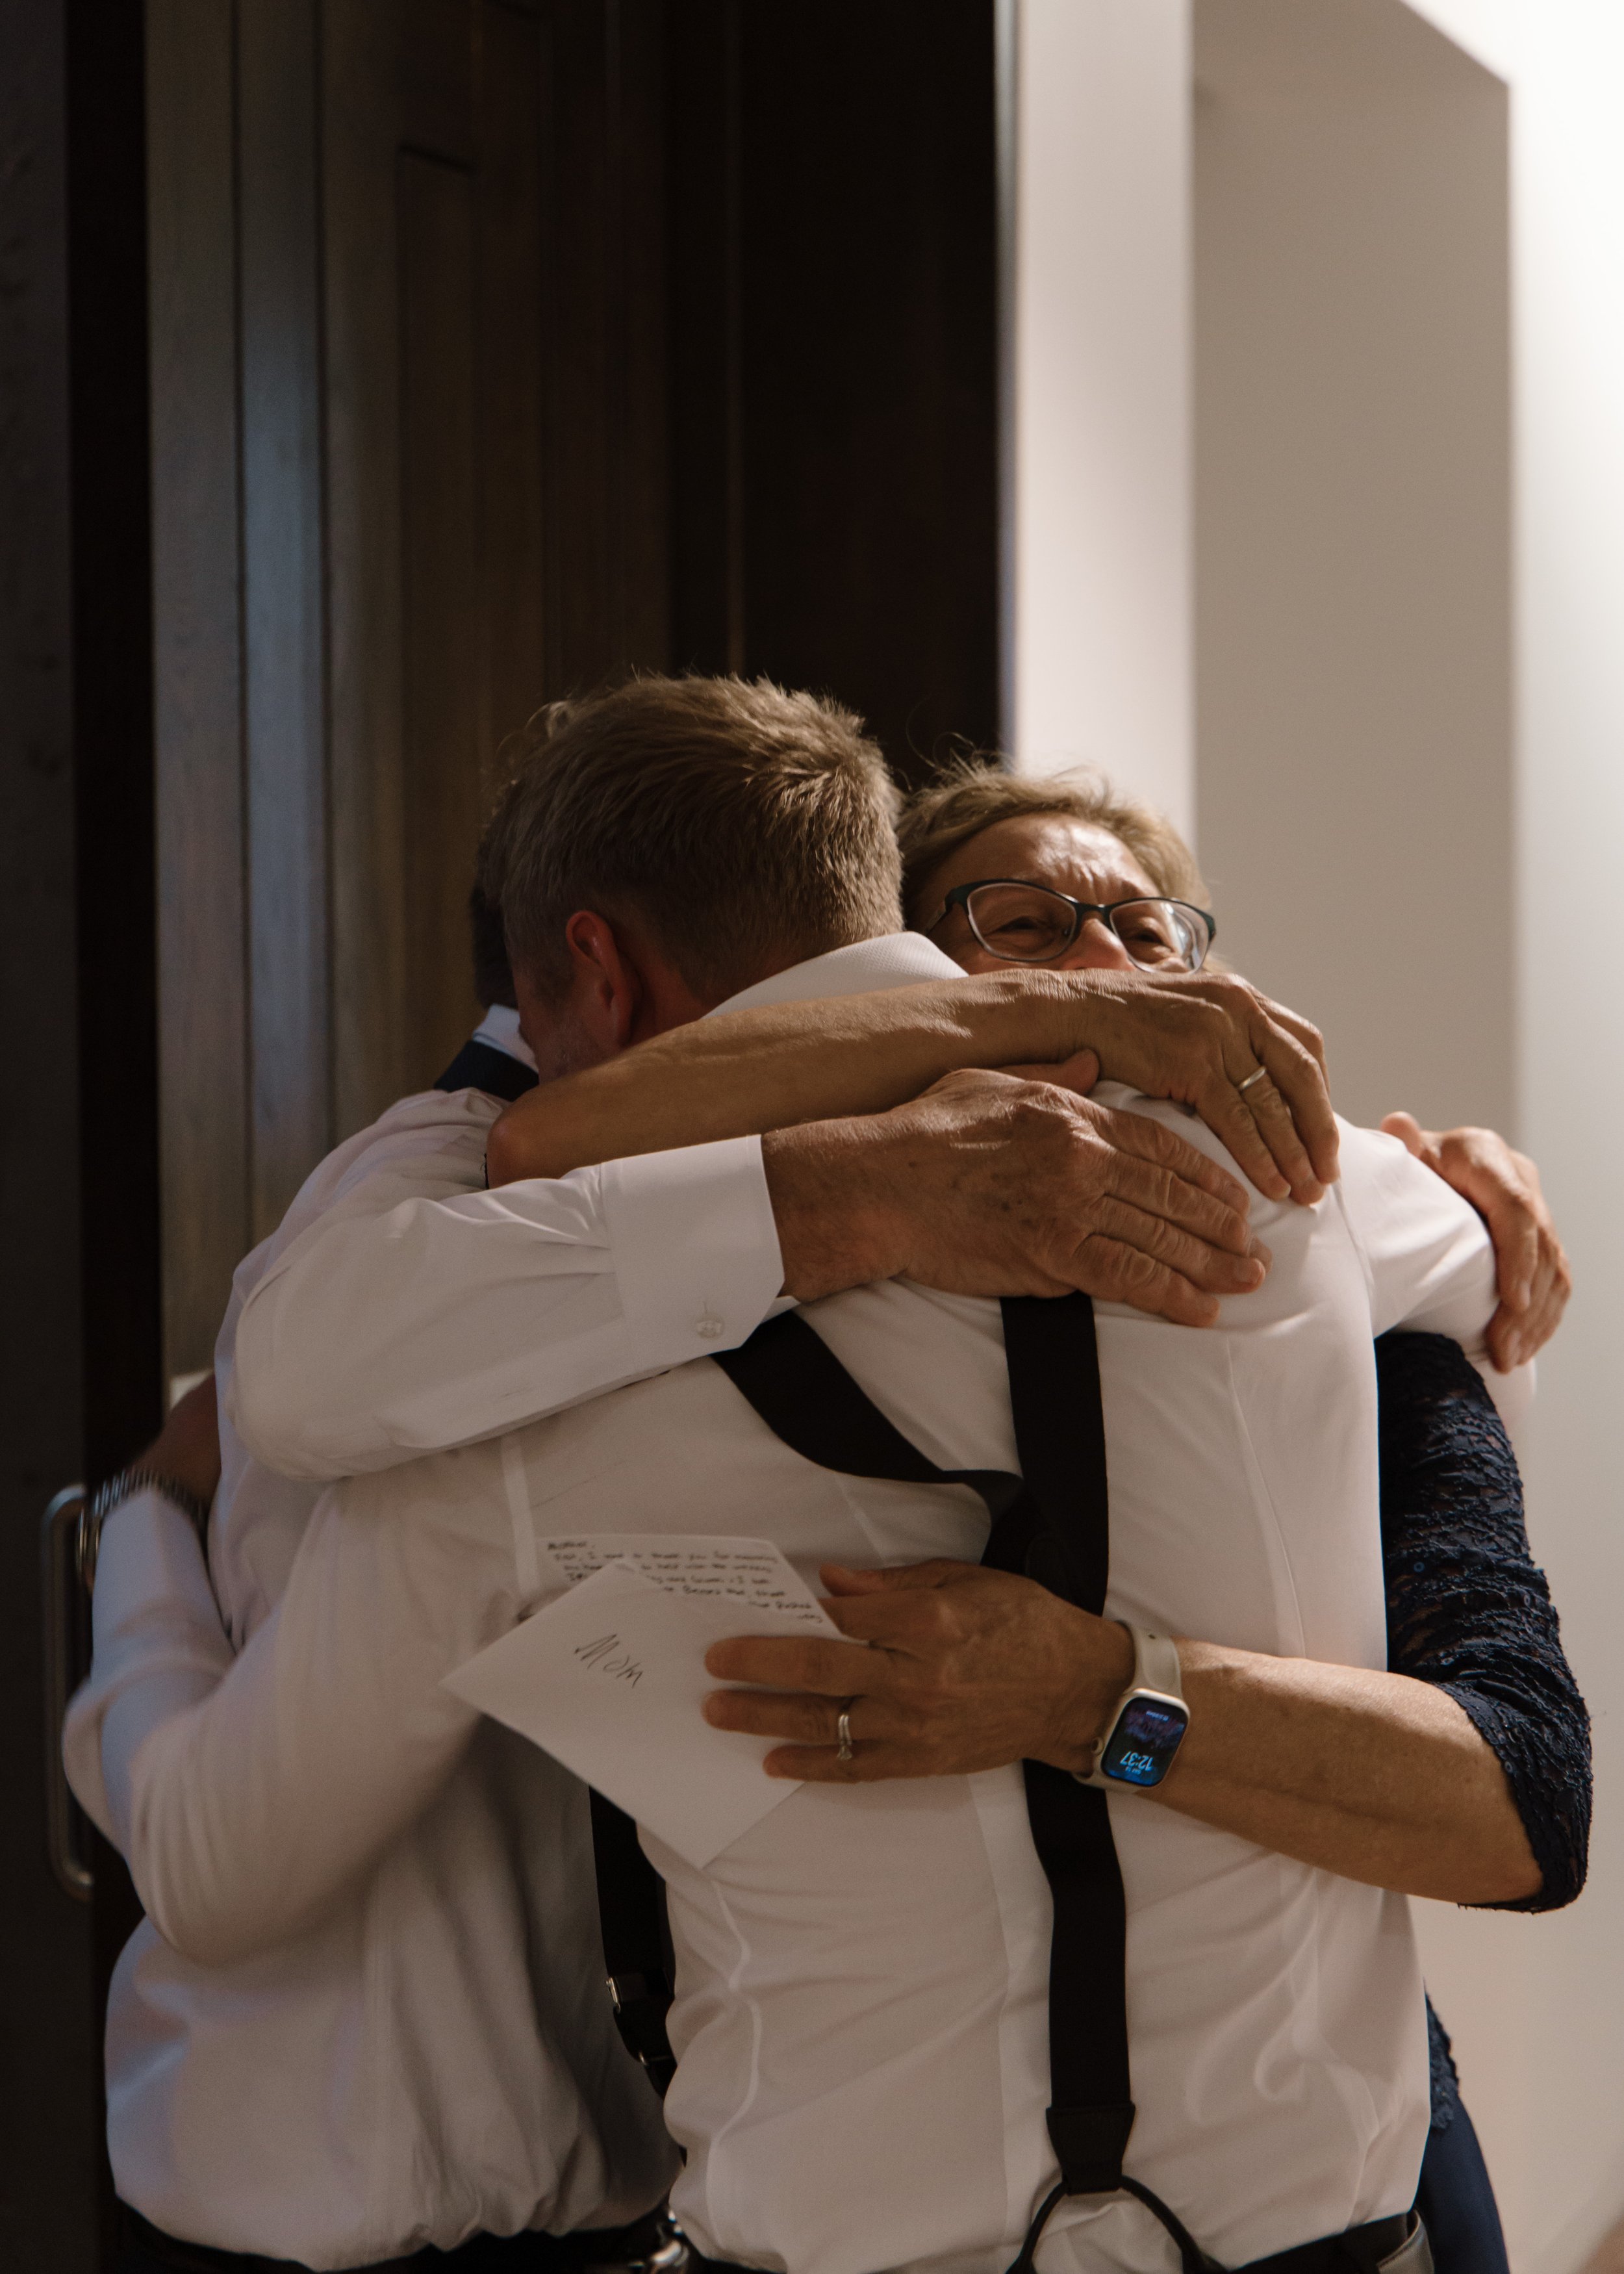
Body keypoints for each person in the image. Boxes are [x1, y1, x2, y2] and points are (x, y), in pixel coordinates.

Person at [75, 680, 1586, 2273]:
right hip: (1307, 2229)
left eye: (1143, 934)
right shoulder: (1286, 1190)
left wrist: (134, 1532)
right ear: (906, 930)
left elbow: (287, 1447)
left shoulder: (499, 1382)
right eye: (1024, 933)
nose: (1094, 970)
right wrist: (889, 1157)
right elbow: (1493, 1279)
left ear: (593, 970)